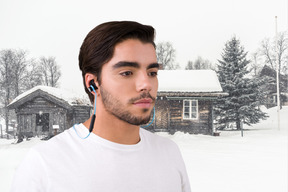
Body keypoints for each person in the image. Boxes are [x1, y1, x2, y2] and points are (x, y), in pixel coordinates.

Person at [10, 21, 191, 192]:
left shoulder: (169, 153)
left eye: (152, 72)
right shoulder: (43, 164)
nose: (146, 84)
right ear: (93, 83)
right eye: (127, 73)